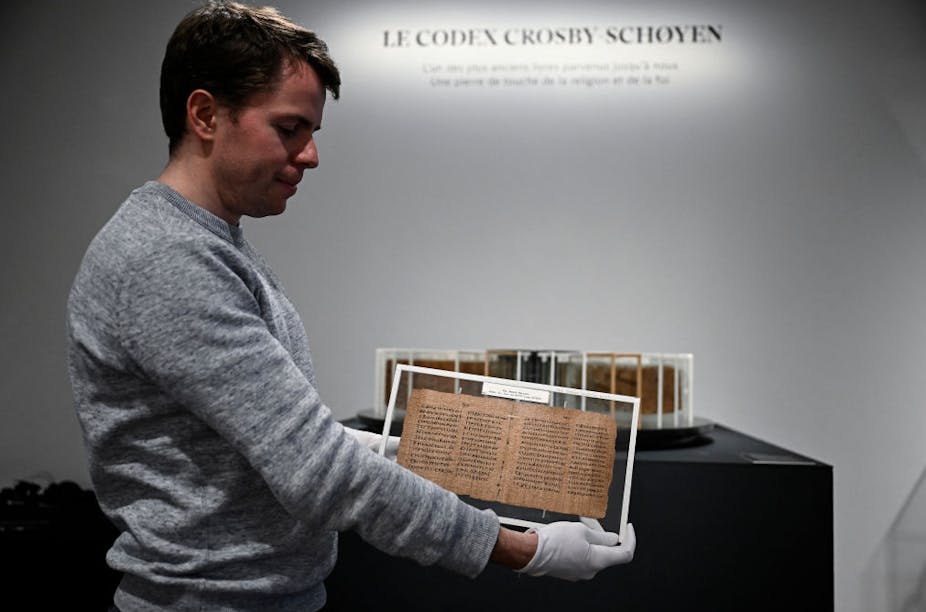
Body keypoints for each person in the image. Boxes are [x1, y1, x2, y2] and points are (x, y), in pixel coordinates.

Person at [66, 2, 635, 610]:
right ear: (205, 114)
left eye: (311, 132)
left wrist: (383, 445)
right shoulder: (168, 259)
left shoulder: (210, 243)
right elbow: (318, 474)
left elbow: (259, 435)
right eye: (289, 129)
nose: (310, 155)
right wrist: (527, 548)